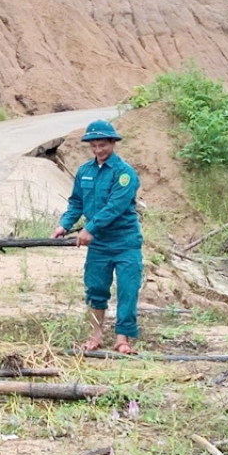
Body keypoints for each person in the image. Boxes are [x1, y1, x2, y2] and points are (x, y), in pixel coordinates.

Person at [52, 119, 143, 355]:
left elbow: (115, 206)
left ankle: (122, 339)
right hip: (99, 245)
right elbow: (77, 203)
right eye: (94, 146)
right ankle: (96, 335)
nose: (98, 150)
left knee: (128, 288)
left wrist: (89, 228)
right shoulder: (85, 172)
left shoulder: (124, 174)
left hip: (125, 242)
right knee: (95, 288)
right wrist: (64, 224)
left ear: (112, 143)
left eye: (103, 145)